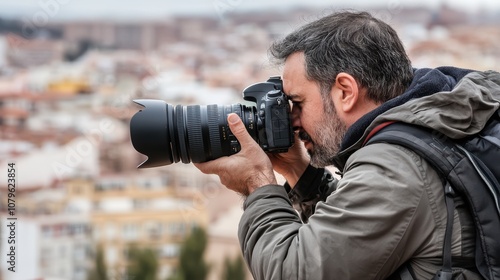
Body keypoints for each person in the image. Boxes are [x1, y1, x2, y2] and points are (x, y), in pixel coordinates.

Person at [194, 11, 500, 280]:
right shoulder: (439, 116)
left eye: (297, 102)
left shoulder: (397, 168)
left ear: (345, 91)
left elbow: (293, 270)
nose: (292, 120)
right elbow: (360, 236)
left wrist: (256, 184)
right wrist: (301, 174)